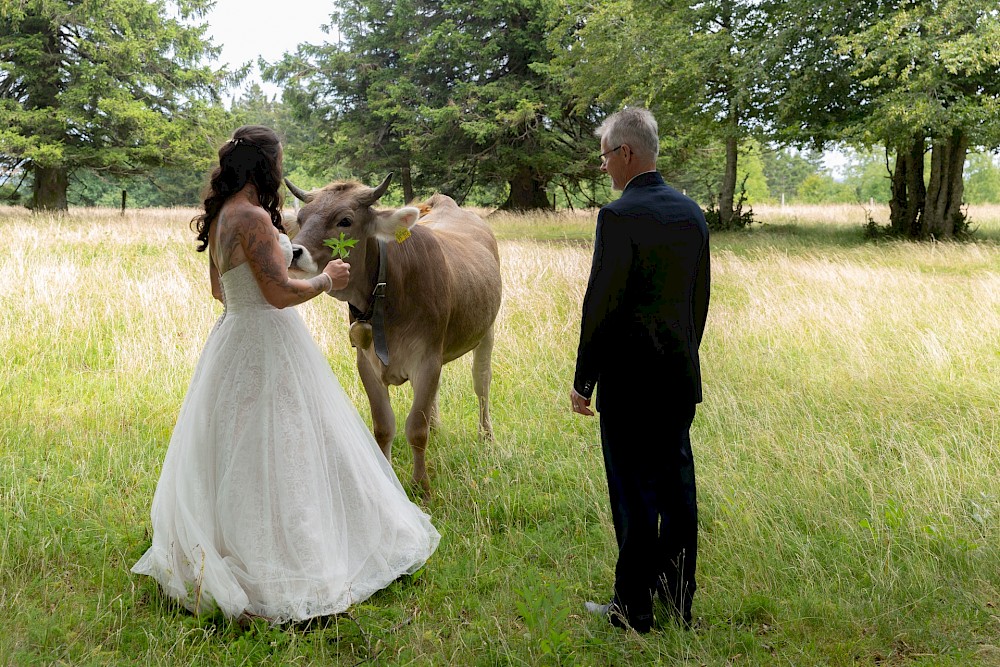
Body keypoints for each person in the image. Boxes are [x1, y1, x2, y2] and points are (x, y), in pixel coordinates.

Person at [132, 125, 440, 624]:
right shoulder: (252, 217)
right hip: (267, 341)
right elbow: (277, 294)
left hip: (232, 337)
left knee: (238, 445)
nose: (281, 167)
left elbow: (220, 289)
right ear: (265, 166)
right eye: (278, 160)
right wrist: (326, 279)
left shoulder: (222, 218)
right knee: (286, 440)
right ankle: (284, 560)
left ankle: (228, 542)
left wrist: (280, 267)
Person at [571, 108, 710, 633]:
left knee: (632, 495)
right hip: (678, 377)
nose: (604, 166)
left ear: (625, 153)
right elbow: (699, 301)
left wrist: (585, 379)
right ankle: (678, 600)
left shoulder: (618, 216)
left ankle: (633, 609)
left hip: (629, 385)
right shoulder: (692, 213)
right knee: (677, 491)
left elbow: (600, 306)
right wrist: (684, 355)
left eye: (605, 155)